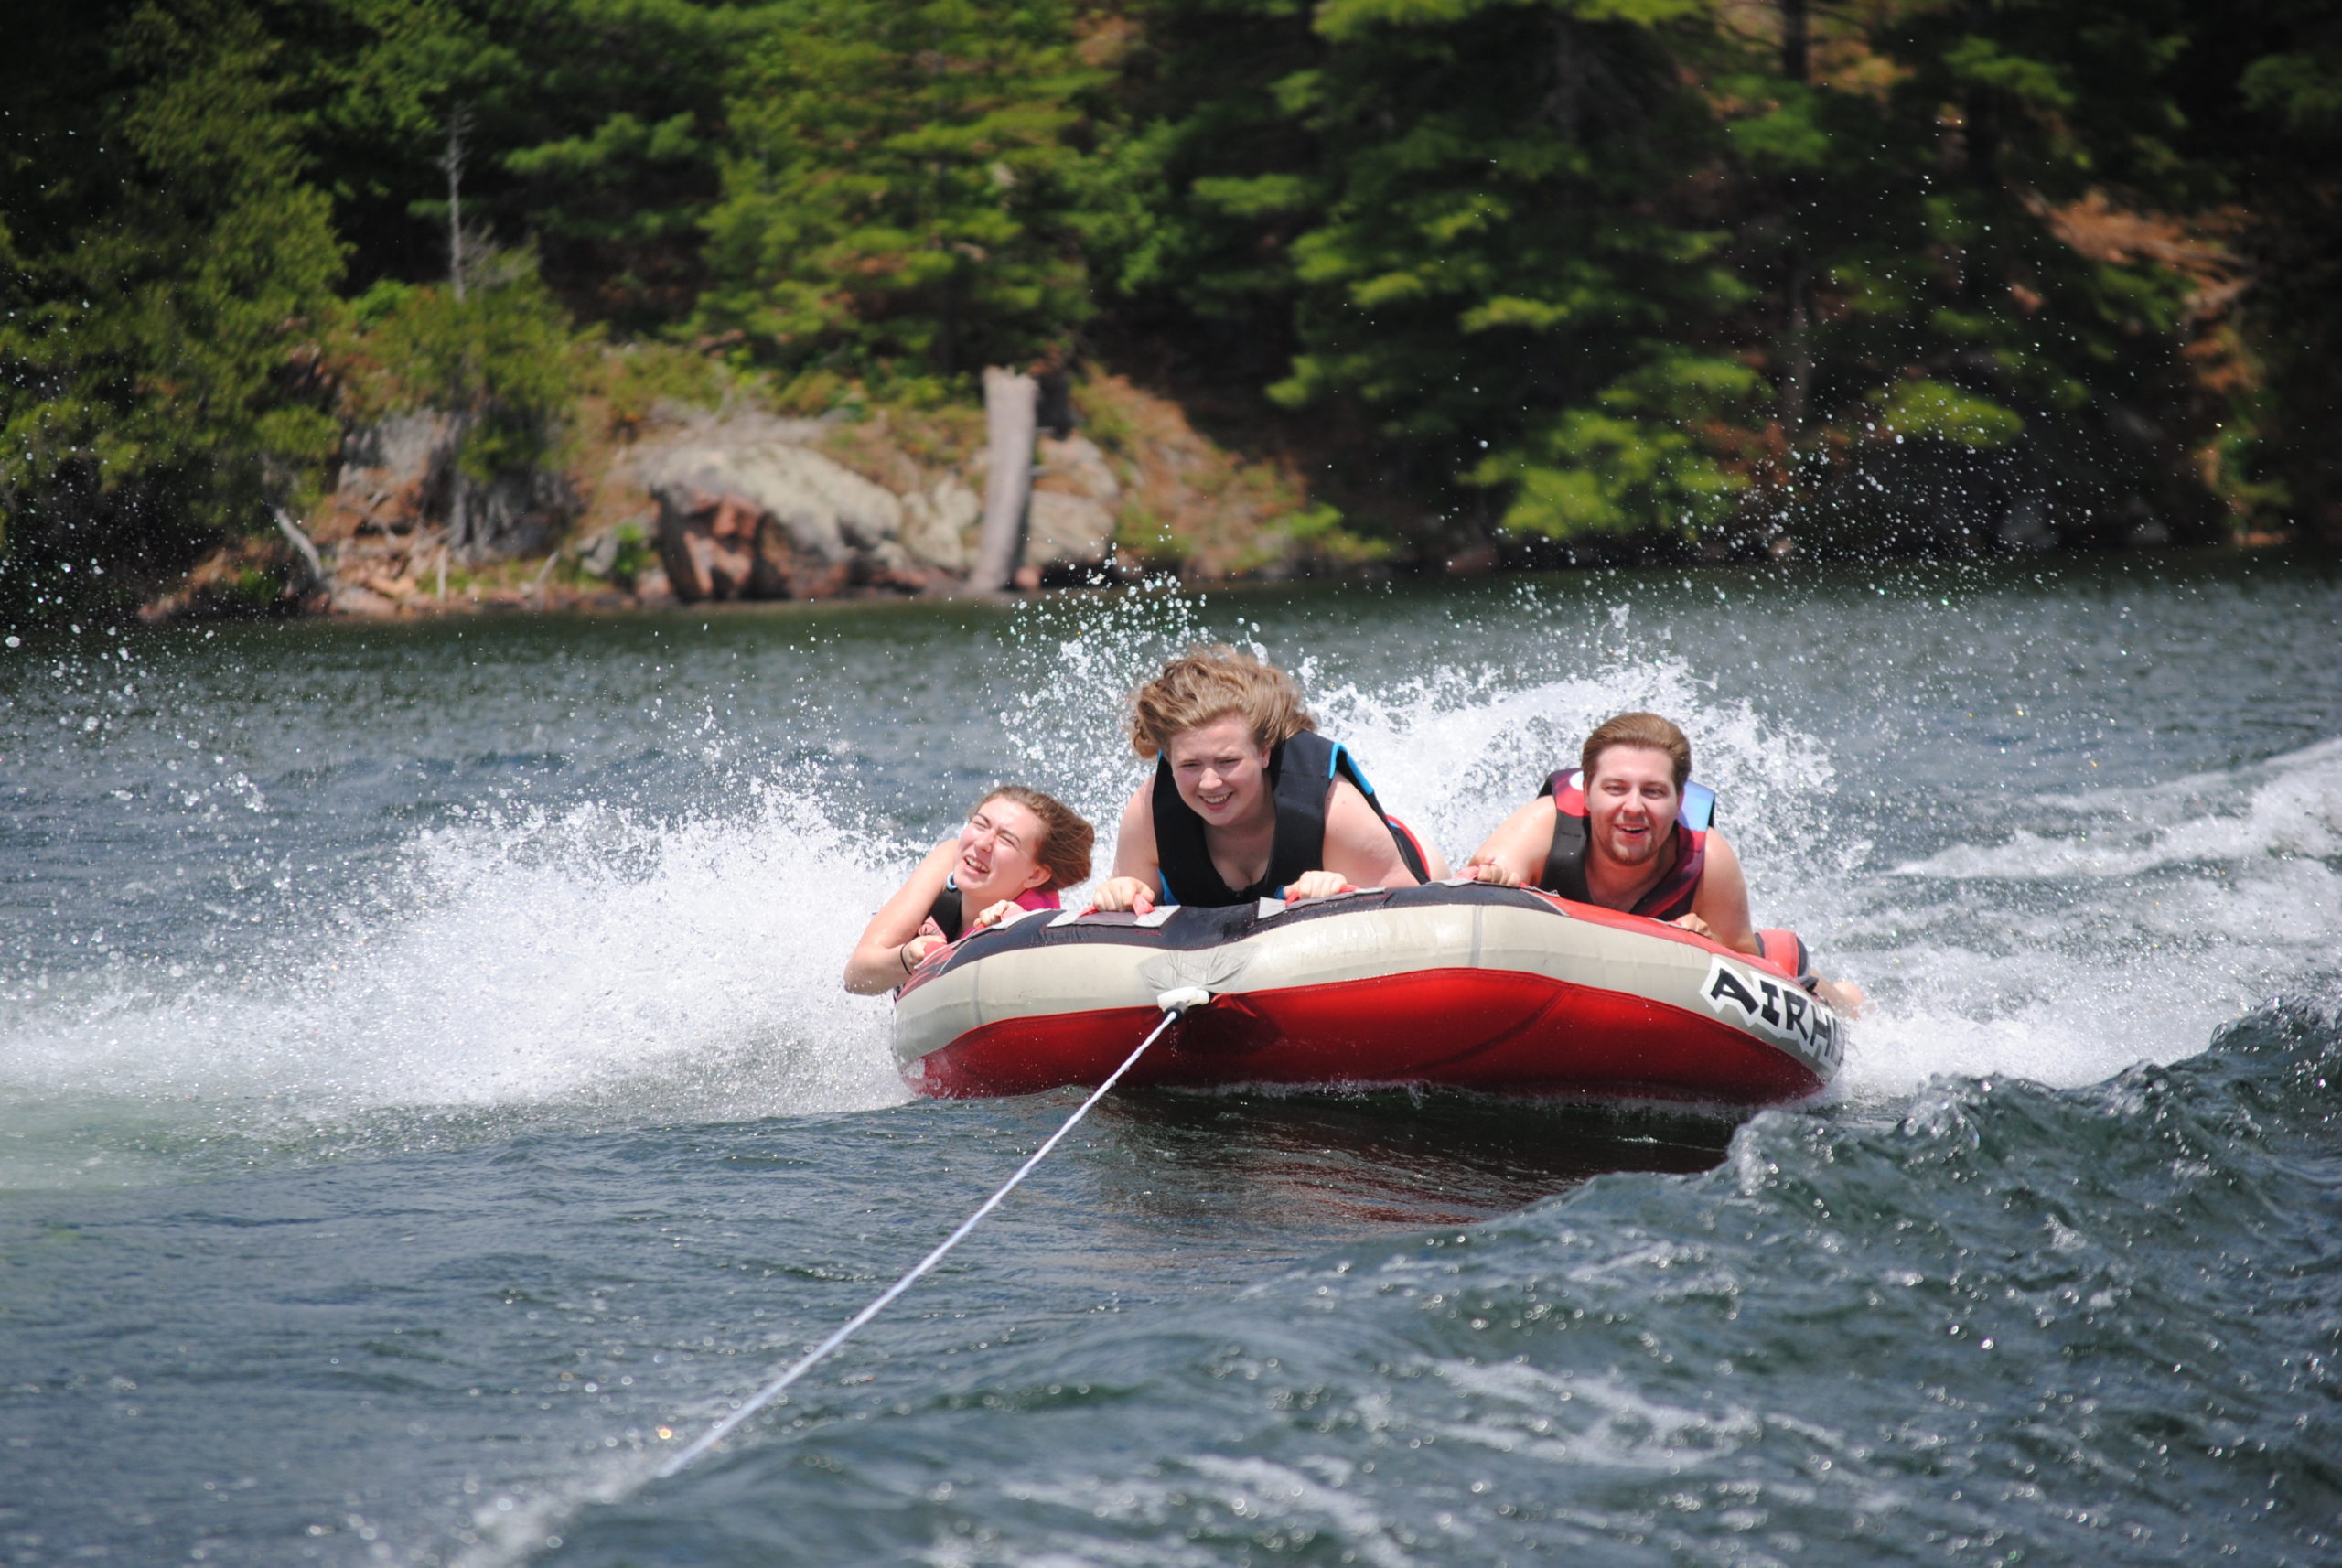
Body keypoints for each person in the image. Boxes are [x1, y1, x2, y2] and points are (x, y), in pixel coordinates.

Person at [1466, 711, 1864, 1013]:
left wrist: (1706, 945)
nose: (1633, 807)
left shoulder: (1708, 859)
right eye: (1615, 789)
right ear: (1586, 793)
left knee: (1781, 956)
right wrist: (1498, 880)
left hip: (1672, 990)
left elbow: (1748, 970)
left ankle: (1849, 1001)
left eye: (1653, 792)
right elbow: (1482, 882)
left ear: (1678, 801)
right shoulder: (1544, 826)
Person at [1090, 645, 1447, 914]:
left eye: (1228, 761)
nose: (1210, 782)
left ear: (1264, 752)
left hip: (1401, 864)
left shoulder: (1334, 811)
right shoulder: (1148, 815)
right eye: (1191, 765)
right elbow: (1129, 918)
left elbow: (1412, 916)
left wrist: (1344, 895)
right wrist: (1120, 894)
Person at [843, 786, 1094, 994]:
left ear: (1035, 875)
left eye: (1006, 840)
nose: (982, 843)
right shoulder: (947, 861)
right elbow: (855, 976)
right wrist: (906, 958)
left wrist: (1014, 928)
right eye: (980, 824)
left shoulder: (1033, 921)